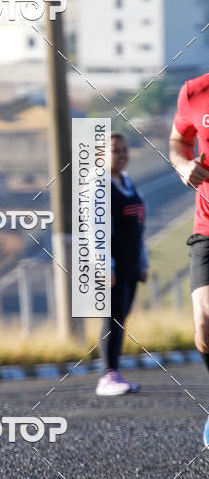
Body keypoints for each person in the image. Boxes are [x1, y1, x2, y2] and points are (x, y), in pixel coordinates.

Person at [169, 75, 209, 445]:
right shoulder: (194, 91)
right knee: (205, 324)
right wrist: (183, 165)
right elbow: (178, 140)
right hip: (206, 226)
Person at [96, 133, 148, 396]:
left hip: (131, 265)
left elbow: (137, 226)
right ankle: (108, 375)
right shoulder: (99, 187)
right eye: (115, 150)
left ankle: (114, 371)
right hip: (112, 268)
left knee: (121, 319)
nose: (122, 155)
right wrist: (106, 266)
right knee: (112, 319)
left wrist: (143, 260)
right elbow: (95, 231)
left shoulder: (127, 182)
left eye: (124, 149)